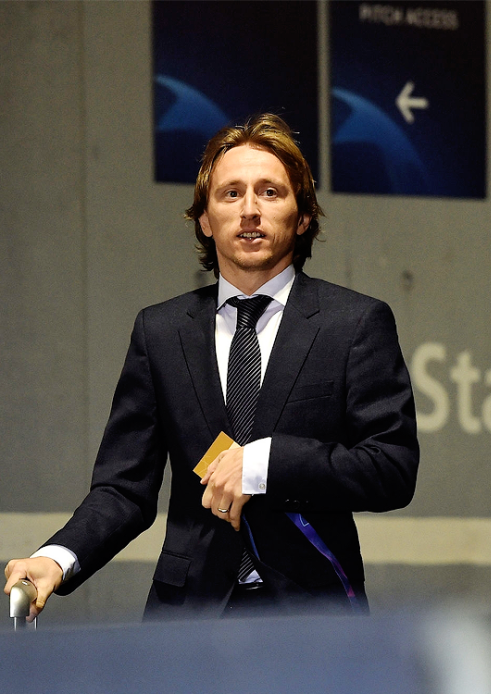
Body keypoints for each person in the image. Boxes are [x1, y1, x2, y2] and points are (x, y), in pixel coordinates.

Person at [4, 114, 419, 620]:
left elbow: (391, 469)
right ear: (204, 218)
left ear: (303, 215)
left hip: (315, 619)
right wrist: (56, 558)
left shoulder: (354, 323)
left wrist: (267, 464)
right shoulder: (160, 331)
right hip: (188, 618)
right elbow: (123, 489)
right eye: (230, 194)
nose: (249, 210)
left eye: (270, 192)